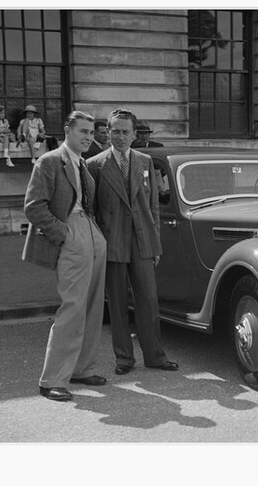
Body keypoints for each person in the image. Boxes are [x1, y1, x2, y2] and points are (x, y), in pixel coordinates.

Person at [22, 110, 108, 400]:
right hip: (72, 233)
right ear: (67, 130)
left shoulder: (82, 163)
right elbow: (34, 206)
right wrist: (64, 233)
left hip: (91, 233)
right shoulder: (50, 161)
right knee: (72, 306)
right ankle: (52, 380)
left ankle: (82, 368)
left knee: (93, 306)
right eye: (83, 131)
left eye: (92, 132)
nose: (89, 137)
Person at [87, 109, 178, 375]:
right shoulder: (94, 164)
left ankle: (155, 356)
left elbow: (153, 206)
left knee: (148, 300)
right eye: (115, 131)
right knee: (117, 304)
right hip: (112, 242)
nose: (120, 136)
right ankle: (124, 358)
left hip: (142, 240)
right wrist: (97, 245)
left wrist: (155, 243)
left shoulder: (144, 161)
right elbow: (91, 209)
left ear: (134, 134)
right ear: (107, 133)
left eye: (125, 132)